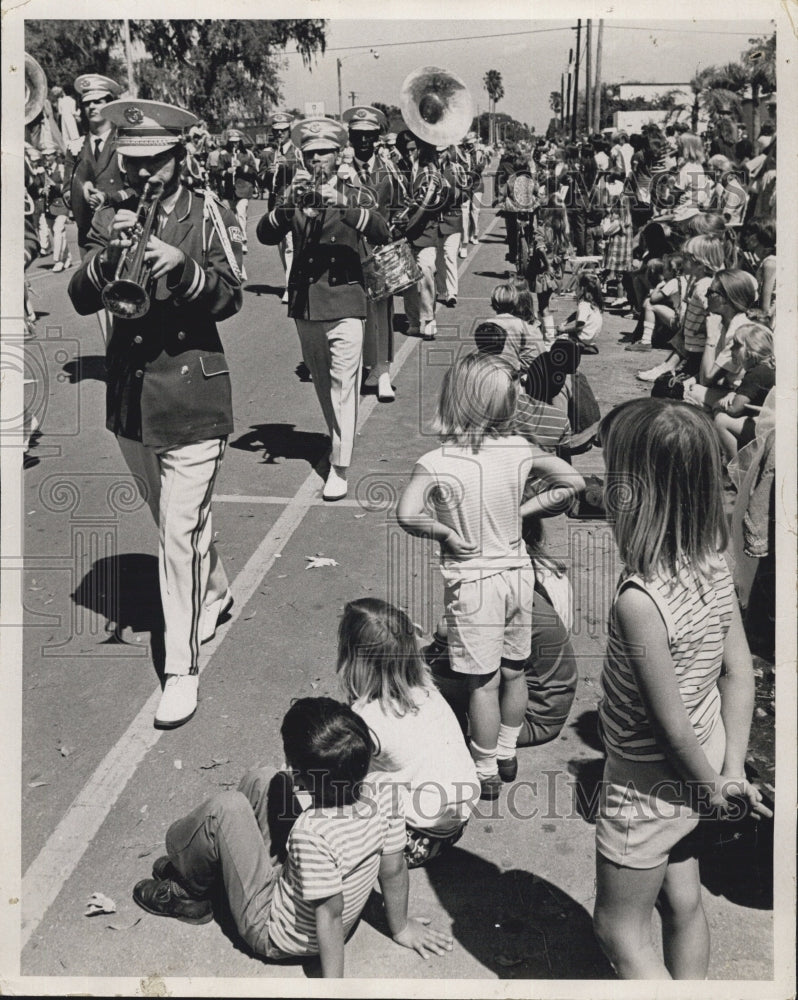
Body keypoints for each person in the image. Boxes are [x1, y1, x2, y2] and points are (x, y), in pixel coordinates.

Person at [68, 99, 243, 728]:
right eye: (133, 163)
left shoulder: (206, 214)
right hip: (131, 399)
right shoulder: (114, 211)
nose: (143, 177)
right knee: (176, 523)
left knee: (175, 535)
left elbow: (232, 295)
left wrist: (187, 269)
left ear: (180, 154)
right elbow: (79, 293)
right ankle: (217, 591)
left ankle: (181, 670)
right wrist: (104, 254)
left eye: (156, 163)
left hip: (192, 396)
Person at [591, 398, 770, 979]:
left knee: (619, 928)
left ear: (634, 494)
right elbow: (738, 672)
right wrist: (730, 773)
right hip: (711, 754)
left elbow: (665, 723)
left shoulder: (638, 602)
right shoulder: (714, 560)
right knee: (682, 898)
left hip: (648, 782)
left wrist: (711, 788)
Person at [132, 697, 453, 976]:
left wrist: (334, 989)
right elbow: (393, 869)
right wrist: (400, 927)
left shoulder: (311, 833)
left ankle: (190, 890)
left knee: (223, 809)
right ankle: (213, 867)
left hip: (273, 930)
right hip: (305, 900)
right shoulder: (386, 790)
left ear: (301, 778)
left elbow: (329, 914)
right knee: (265, 779)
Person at [396, 352, 583, 799]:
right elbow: (571, 482)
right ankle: (505, 750)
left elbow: (406, 514)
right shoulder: (519, 449)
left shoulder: (437, 461)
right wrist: (524, 510)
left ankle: (484, 769)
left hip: (474, 582)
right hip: (517, 573)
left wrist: (441, 531)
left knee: (482, 681)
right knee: (514, 671)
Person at [256, 117, 390, 501]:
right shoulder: (294, 190)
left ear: (337, 155)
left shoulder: (355, 190)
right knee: (322, 382)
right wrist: (287, 206)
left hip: (346, 299)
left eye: (324, 154)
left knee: (343, 386)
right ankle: (337, 439)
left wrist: (343, 204)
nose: (317, 162)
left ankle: (340, 466)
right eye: (311, 154)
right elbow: (266, 235)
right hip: (306, 303)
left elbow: (381, 230)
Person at [336, 598, 480, 868]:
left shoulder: (366, 717)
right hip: (455, 820)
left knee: (332, 790)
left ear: (353, 658)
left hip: (416, 838)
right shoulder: (425, 686)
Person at [342, 105, 403, 402]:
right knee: (353, 313)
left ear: (378, 137)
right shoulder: (340, 172)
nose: (364, 141)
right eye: (358, 135)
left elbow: (402, 204)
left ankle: (383, 371)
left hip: (379, 249)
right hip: (347, 250)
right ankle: (362, 368)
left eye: (369, 135)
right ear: (350, 138)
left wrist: (396, 231)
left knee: (382, 312)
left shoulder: (389, 169)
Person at [637, 234, 724, 382]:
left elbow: (714, 313)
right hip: (693, 345)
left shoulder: (704, 286)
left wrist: (705, 327)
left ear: (700, 264)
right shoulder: (699, 282)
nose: (682, 262)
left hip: (698, 347)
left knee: (675, 384)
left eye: (686, 258)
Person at [64, 74, 130, 259]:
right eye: (87, 103)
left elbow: (136, 189)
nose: (91, 107)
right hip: (87, 231)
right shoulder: (75, 147)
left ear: (109, 105)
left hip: (119, 227)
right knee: (89, 284)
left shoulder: (125, 142)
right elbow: (66, 190)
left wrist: (108, 198)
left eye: (98, 101)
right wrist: (79, 193)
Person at [712, 324, 776, 462]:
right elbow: (746, 393)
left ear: (752, 349)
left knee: (721, 420)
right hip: (772, 423)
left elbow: (735, 410)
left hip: (767, 430)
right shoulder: (767, 368)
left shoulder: (755, 374)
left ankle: (733, 468)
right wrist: (732, 394)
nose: (732, 349)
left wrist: (717, 405)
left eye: (737, 345)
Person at [259, 112, 304, 303]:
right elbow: (260, 178)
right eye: (276, 132)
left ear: (289, 131)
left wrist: (289, 165)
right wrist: (268, 174)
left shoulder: (297, 151)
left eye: (283, 131)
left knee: (291, 247)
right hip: (275, 203)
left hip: (293, 203)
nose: (279, 135)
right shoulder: (269, 153)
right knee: (282, 246)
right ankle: (290, 281)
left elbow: (306, 172)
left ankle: (290, 287)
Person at [218, 129, 259, 255]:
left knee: (241, 213)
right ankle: (233, 241)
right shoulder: (224, 154)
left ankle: (243, 241)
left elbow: (254, 172)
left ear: (240, 142)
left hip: (244, 189)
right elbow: (218, 172)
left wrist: (241, 166)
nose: (234, 145)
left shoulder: (247, 154)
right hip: (230, 191)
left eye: (236, 142)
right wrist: (226, 172)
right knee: (229, 216)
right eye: (232, 142)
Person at [557, 271, 603, 354]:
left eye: (577, 286)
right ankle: (587, 346)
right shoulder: (593, 302)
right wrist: (566, 321)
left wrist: (564, 329)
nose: (575, 289)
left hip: (583, 338)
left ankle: (580, 346)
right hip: (591, 338)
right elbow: (577, 314)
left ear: (582, 288)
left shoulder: (583, 305)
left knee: (558, 340)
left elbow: (579, 327)